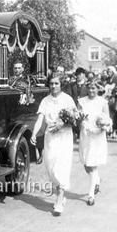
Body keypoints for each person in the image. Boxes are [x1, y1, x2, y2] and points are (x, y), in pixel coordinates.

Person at [30, 76, 76, 216]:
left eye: (56, 83)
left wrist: (63, 123)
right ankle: (60, 192)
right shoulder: (45, 100)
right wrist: (33, 133)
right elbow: (40, 119)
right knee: (50, 168)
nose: (54, 86)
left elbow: (75, 117)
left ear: (61, 85)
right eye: (51, 83)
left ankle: (60, 198)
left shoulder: (67, 99)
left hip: (64, 136)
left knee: (61, 167)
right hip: (50, 137)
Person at [78, 82, 111, 206]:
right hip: (86, 134)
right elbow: (79, 117)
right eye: (89, 88)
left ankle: (91, 195)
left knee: (92, 163)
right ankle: (96, 180)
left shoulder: (103, 102)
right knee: (87, 165)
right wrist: (81, 121)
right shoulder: (81, 101)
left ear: (98, 89)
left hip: (97, 135)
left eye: (94, 88)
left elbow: (108, 119)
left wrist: (104, 125)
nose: (91, 90)